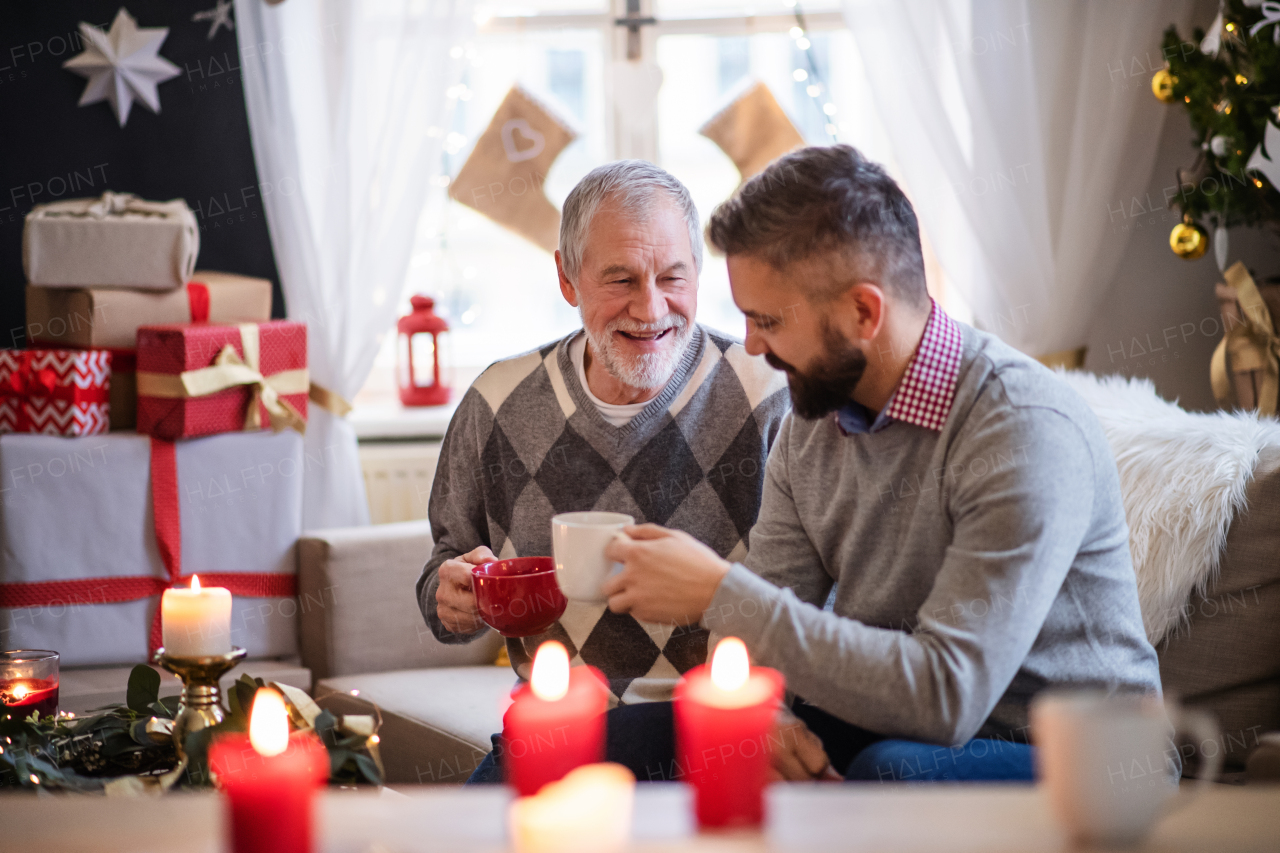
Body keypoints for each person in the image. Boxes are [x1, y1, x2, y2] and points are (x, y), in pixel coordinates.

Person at [600, 145, 1162, 782]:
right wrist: (761, 708)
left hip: (1084, 759)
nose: (752, 345)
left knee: (890, 771)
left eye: (767, 321)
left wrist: (719, 593)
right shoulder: (812, 419)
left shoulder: (1022, 428)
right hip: (886, 720)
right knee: (617, 740)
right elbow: (765, 632)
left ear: (864, 312)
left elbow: (949, 697)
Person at [416, 160, 789, 782]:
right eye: (620, 279)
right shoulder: (497, 402)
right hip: (557, 727)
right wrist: (449, 596)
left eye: (673, 276)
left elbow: (812, 603)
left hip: (725, 727)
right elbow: (443, 570)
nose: (651, 307)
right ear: (567, 277)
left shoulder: (768, 395)